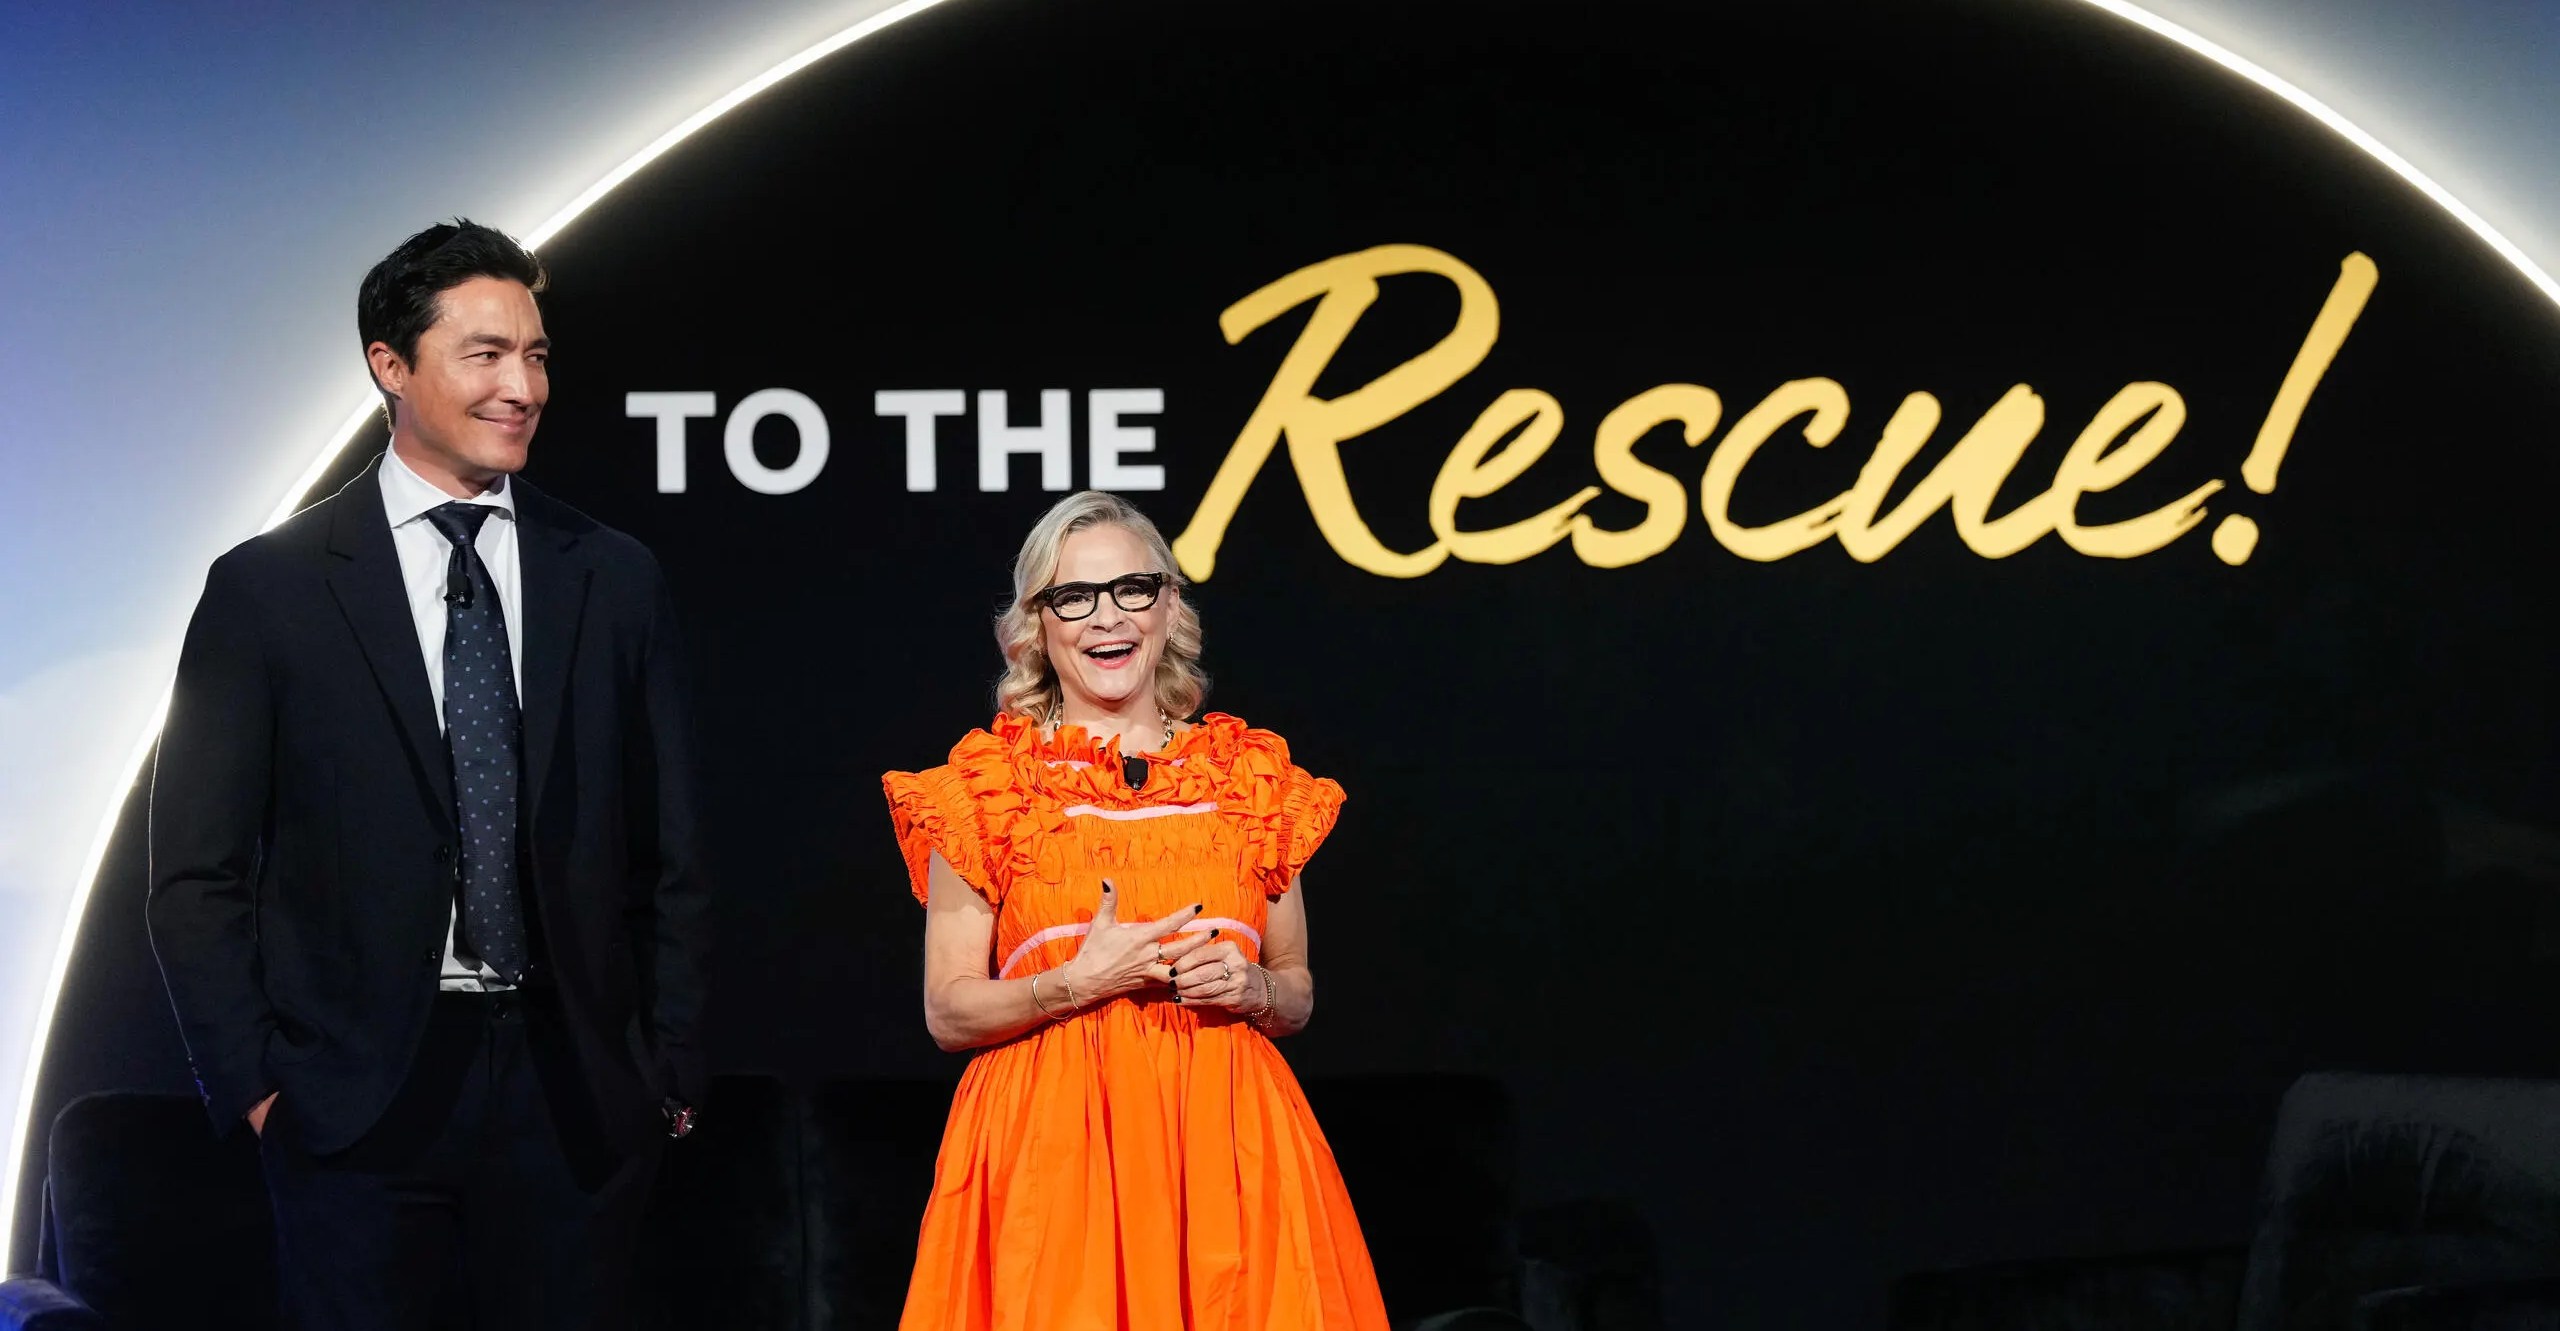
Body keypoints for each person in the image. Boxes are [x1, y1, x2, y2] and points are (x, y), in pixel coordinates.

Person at [146, 219, 710, 1329]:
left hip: (576, 1092)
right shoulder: (272, 588)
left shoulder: (610, 574)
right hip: (353, 1100)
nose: (523, 387)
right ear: (390, 367)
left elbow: (673, 845)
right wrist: (262, 1085)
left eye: (537, 355)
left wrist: (668, 1069)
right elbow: (196, 872)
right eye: (486, 354)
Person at [883, 490, 1390, 1329]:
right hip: (1055, 1147)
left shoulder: (1247, 777)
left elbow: (1296, 986)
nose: (1105, 617)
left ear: (1169, 606)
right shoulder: (984, 787)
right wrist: (1074, 983)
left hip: (1231, 1150)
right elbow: (947, 1008)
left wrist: (1254, 987)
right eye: (1073, 597)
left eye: (1132, 589)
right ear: (1036, 626)